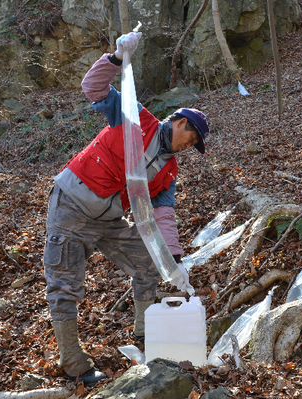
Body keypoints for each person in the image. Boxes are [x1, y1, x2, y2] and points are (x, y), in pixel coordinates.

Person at [43, 31, 209, 385]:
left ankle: (143, 331)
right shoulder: (136, 117)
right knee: (65, 283)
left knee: (150, 262)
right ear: (179, 122)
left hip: (108, 220)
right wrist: (116, 58)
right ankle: (73, 362)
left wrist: (175, 263)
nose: (187, 145)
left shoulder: (169, 170)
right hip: (72, 205)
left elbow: (162, 217)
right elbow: (93, 88)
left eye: (193, 144)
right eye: (190, 137)